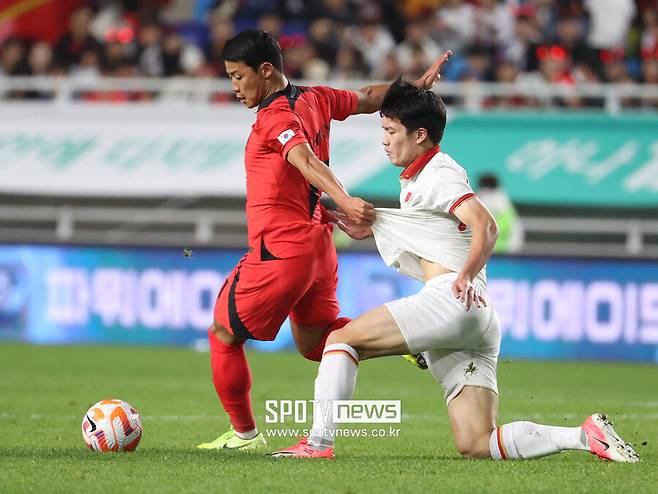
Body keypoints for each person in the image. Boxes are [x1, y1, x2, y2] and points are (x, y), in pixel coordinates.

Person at [272, 80, 640, 463]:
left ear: (420, 135)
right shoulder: (418, 177)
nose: (383, 140)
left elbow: (487, 224)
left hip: (452, 298)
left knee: (342, 340)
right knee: (477, 442)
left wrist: (464, 274)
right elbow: (436, 232)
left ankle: (316, 445)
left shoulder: (439, 173)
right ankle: (585, 436)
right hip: (476, 316)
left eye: (390, 131)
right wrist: (377, 226)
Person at [197, 29, 452, 451]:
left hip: (280, 248)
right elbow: (370, 97)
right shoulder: (315, 97)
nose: (234, 87)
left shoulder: (273, 118)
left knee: (223, 333)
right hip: (318, 244)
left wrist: (345, 199)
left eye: (238, 76)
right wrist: (411, 88)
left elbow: (304, 159)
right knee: (318, 343)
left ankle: (243, 435)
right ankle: (408, 338)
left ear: (265, 70)